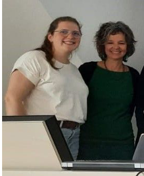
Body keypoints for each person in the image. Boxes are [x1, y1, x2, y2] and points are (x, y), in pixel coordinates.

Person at [4, 17, 89, 159]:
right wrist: (19, 136)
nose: (70, 36)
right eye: (64, 31)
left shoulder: (74, 70)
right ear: (50, 36)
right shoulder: (35, 58)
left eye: (76, 33)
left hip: (73, 134)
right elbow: (12, 98)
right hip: (45, 133)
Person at [78, 22, 140, 160]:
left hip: (123, 144)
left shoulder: (134, 75)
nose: (116, 47)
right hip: (89, 142)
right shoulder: (87, 70)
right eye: (110, 42)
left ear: (128, 46)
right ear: (102, 45)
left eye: (121, 43)